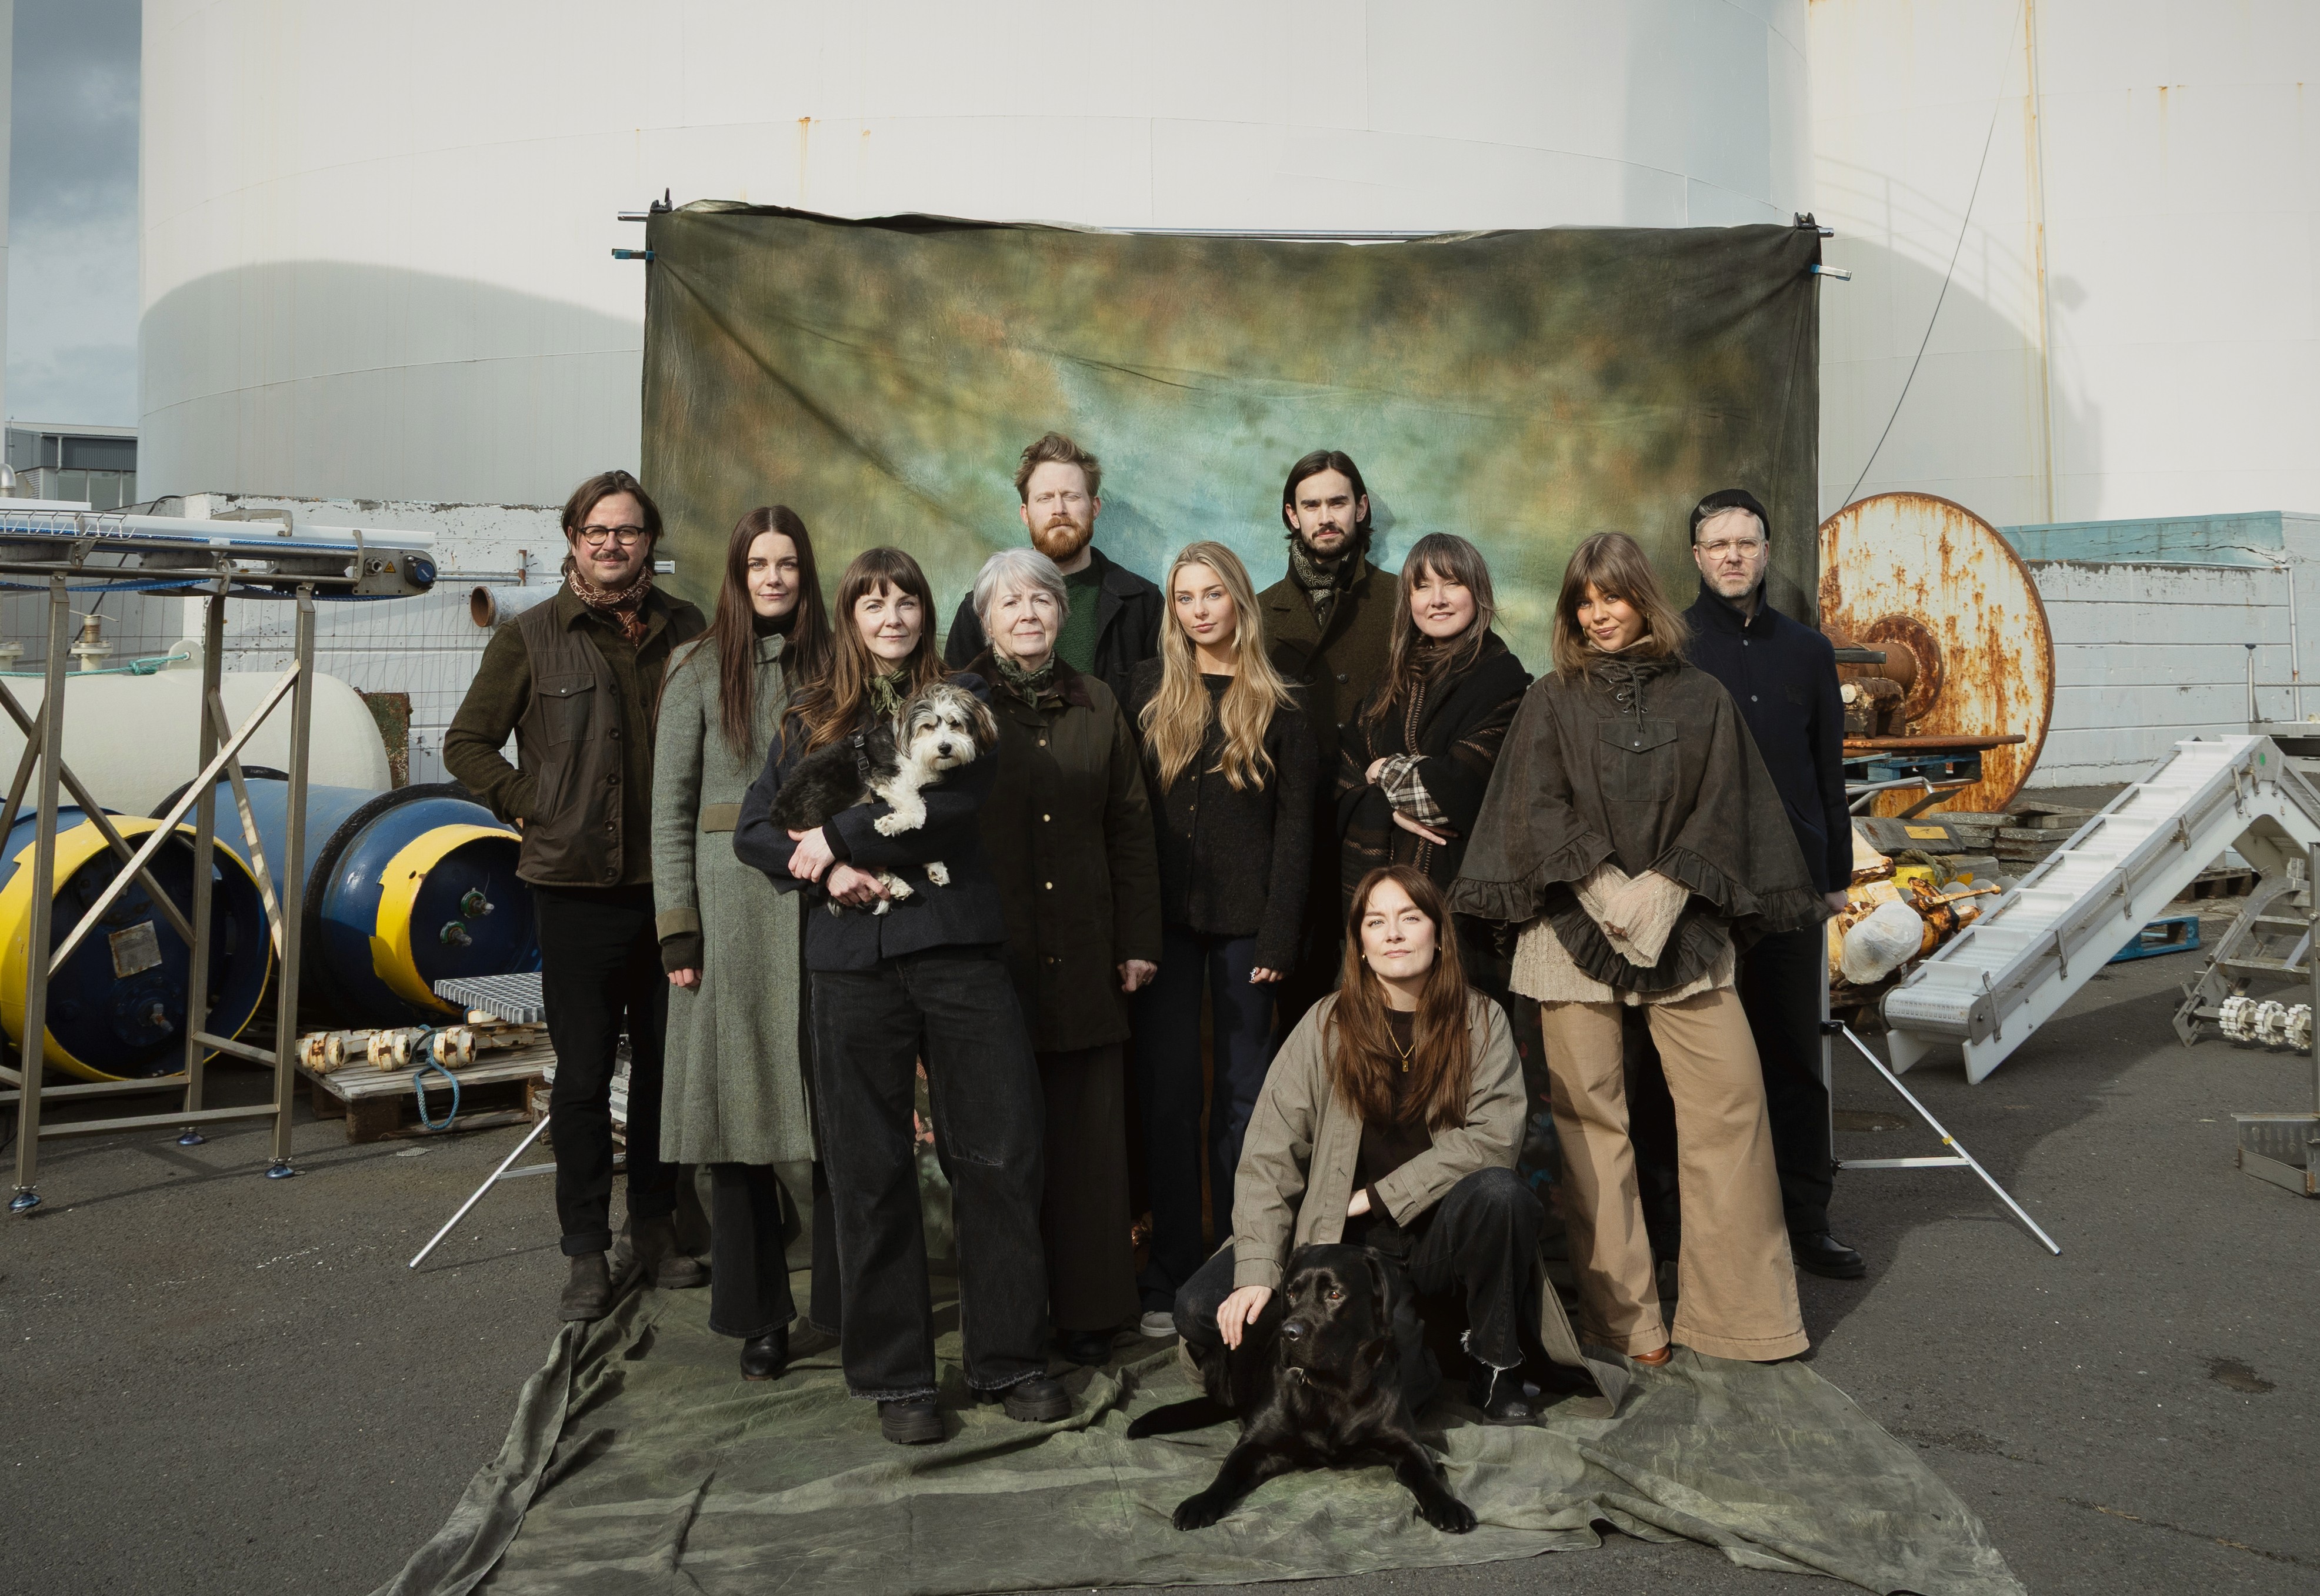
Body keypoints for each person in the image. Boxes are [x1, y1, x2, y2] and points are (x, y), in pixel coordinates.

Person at [1449, 532, 1824, 1365]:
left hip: (1685, 922)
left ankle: (1741, 1317)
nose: (1596, 615)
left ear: (1642, 598)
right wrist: (1603, 888)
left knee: (1729, 1106)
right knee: (1590, 1121)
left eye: (1611, 597)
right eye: (1582, 602)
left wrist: (1662, 889)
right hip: (1569, 923)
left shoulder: (1703, 697)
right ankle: (1625, 1322)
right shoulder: (1550, 698)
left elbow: (1725, 804)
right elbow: (1534, 806)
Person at [733, 546, 1068, 1445]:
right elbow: (755, 831)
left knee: (998, 1152)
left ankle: (1011, 1358)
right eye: (873, 604)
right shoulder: (807, 714)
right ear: (849, 617)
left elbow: (953, 803)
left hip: (956, 947)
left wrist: (838, 836)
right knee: (868, 1165)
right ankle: (898, 1376)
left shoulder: (965, 699)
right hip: (851, 962)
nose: (892, 617)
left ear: (926, 612)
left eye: (907, 601)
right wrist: (823, 867)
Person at [444, 469, 707, 1322]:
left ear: (648, 540)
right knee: (585, 1075)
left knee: (667, 1071)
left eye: (626, 531)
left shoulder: (688, 629)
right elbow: (467, 743)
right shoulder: (530, 636)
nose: (611, 544)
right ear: (572, 539)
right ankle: (586, 1250)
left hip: (672, 890)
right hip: (574, 891)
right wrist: (537, 803)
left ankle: (656, 1228)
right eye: (596, 531)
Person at [1174, 865, 1559, 1422]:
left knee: (1502, 1193)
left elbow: (1494, 1139)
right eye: (1376, 922)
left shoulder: (1481, 1019)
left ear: (1438, 934)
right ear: (1359, 943)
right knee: (1197, 1309)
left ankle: (1494, 1365)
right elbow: (1268, 1159)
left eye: (1410, 918)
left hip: (1435, 1241)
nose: (1393, 934)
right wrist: (1257, 1270)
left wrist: (1379, 1196)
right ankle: (1373, 1351)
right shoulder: (1325, 1024)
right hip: (1339, 1243)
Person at [1625, 490, 1864, 1280]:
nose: (1733, 555)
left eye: (1746, 542)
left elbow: (1828, 769)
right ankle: (1676, 1230)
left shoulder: (1807, 651)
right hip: (1696, 888)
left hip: (1789, 885)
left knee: (1792, 1055)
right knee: (1678, 1064)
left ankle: (1806, 1221)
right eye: (1717, 543)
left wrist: (1834, 877)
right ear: (1696, 556)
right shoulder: (1671, 647)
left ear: (1766, 550)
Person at [960, 547, 1163, 1366]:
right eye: (1010, 603)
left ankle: (1089, 1312)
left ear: (1062, 614)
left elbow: (1131, 826)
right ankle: (1011, 1319)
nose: (1028, 614)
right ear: (986, 619)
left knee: (1087, 1145)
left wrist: (1138, 941)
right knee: (1005, 1147)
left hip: (1085, 955)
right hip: (990, 960)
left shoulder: (1099, 702)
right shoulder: (960, 705)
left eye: (1041, 601)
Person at [652, 506, 838, 1381]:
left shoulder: (837, 663)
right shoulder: (694, 668)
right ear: (736, 573)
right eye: (758, 563)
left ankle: (846, 1302)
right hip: (727, 918)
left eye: (787, 562)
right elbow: (671, 809)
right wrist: (678, 927)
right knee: (736, 1126)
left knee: (838, 1113)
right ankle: (760, 1315)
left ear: (806, 572)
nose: (773, 577)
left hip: (829, 898)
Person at [1128, 540, 1314, 1340]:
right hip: (1162, 930)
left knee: (1244, 1101)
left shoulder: (1283, 701)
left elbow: (1297, 830)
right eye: (1185, 597)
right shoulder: (1145, 690)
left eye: (1213, 594)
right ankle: (1170, 1266)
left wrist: (1279, 933)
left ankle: (1242, 1263)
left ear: (1239, 599)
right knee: (1169, 1096)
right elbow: (1127, 821)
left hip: (1250, 931)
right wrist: (1133, 930)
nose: (1199, 610)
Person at [1336, 533, 1531, 978]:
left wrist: (1381, 771)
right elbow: (1342, 782)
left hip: (1462, 904)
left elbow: (1456, 791)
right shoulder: (1389, 682)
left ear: (1478, 593)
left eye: (1452, 584)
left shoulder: (1503, 680)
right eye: (1422, 586)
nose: (1437, 600)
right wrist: (1388, 808)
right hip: (1378, 905)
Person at [1260, 449, 1400, 1026]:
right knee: (1299, 1008)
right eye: (1311, 505)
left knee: (1386, 999)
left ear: (1360, 508)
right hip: (1290, 837)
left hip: (1379, 828)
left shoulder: (1401, 601)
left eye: (1337, 502)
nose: (1325, 517)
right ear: (1291, 515)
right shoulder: (1259, 613)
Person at [944, 432, 1162, 708]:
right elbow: (953, 714)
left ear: (1095, 507)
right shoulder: (980, 607)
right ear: (1025, 514)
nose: (1059, 509)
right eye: (1045, 498)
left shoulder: (1142, 604)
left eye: (1071, 496)